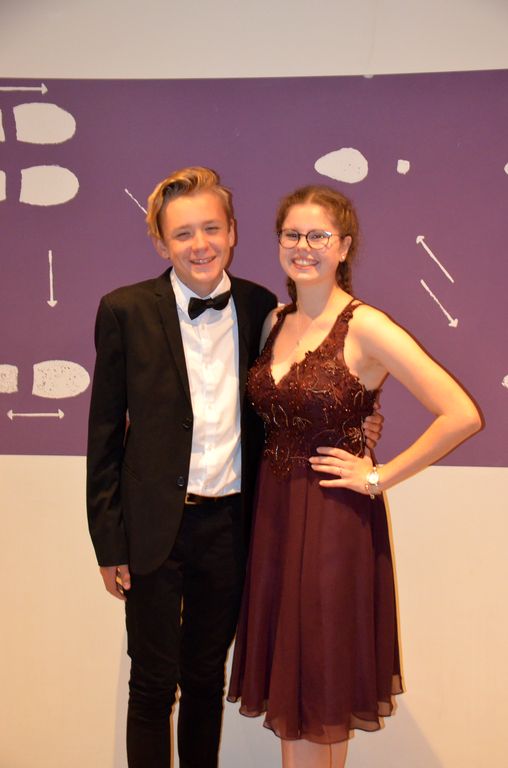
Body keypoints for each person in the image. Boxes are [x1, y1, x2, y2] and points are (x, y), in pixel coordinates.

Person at [86, 167, 383, 768]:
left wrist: (359, 428)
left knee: (204, 679)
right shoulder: (124, 310)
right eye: (182, 233)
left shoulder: (260, 308)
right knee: (151, 683)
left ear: (233, 232)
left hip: (231, 527)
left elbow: (291, 399)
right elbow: (104, 436)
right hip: (152, 528)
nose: (200, 244)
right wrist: (108, 542)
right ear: (161, 243)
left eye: (211, 228)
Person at [227, 184, 481, 768]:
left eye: (318, 235)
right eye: (292, 234)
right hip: (274, 518)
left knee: (319, 679)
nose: (304, 246)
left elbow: (461, 414)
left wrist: (378, 477)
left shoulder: (366, 326)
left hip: (333, 524)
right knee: (304, 687)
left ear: (343, 246)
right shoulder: (274, 321)